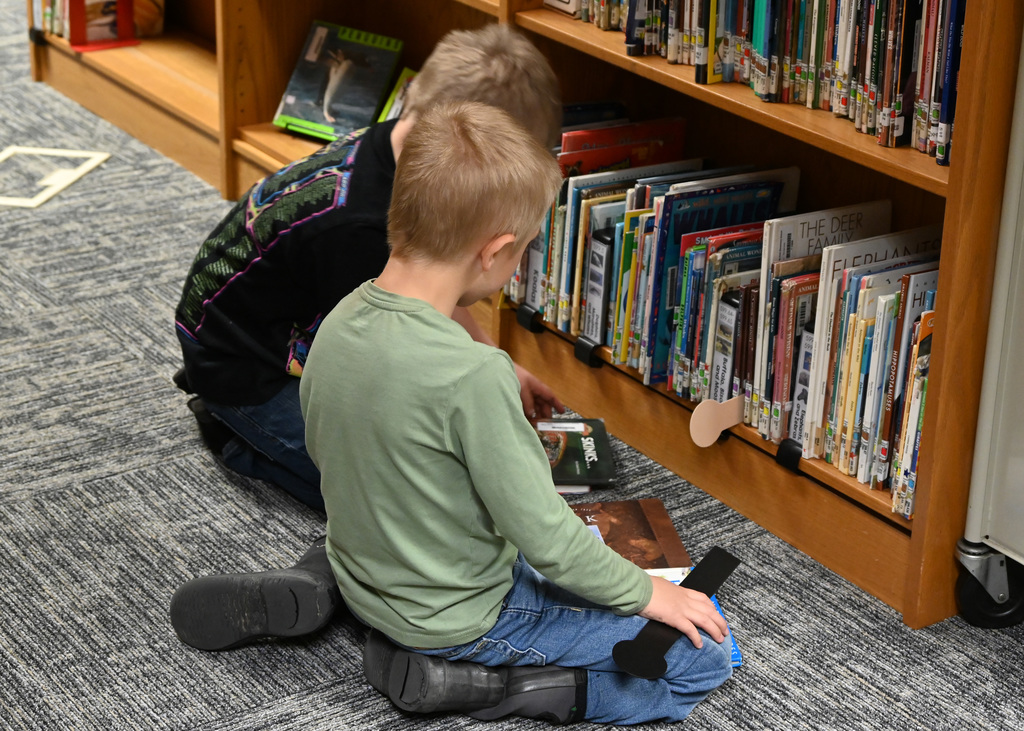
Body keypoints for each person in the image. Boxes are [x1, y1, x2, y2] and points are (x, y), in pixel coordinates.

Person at [304, 100, 732, 724]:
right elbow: (547, 540)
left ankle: (348, 603)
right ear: (496, 251)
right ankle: (501, 688)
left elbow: (336, 453)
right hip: (462, 616)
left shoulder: (340, 319)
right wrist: (649, 596)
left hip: (366, 579)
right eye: (524, 251)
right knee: (709, 652)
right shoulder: (473, 377)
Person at [173, 23, 564, 511]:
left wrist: (500, 364)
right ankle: (239, 439)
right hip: (248, 371)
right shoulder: (357, 229)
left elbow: (434, 291)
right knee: (406, 504)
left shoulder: (404, 153)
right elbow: (373, 374)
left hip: (269, 325)